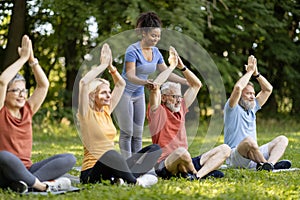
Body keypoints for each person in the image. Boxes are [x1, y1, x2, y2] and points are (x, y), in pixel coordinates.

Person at [77, 43, 162, 187]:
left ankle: (121, 179)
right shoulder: (85, 114)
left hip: (112, 168)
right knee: (112, 154)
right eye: (104, 92)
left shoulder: (106, 111)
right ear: (92, 96)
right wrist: (102, 65)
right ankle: (135, 182)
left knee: (154, 149)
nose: (109, 95)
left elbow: (121, 84)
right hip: (91, 172)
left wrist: (111, 68)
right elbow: (84, 82)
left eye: (109, 92)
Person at [0, 35, 76, 194]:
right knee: (4, 156)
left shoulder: (28, 109)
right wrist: (22, 59)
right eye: (16, 91)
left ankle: (25, 183)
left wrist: (32, 60)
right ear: (5, 94)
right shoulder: (1, 110)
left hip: (27, 170)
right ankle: (41, 186)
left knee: (69, 159)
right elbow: (2, 80)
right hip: (4, 170)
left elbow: (44, 85)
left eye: (24, 91)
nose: (22, 95)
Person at [147, 47, 231, 180]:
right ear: (163, 98)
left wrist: (181, 66)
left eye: (179, 97)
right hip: (166, 163)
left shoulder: (180, 107)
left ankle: (197, 175)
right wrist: (171, 66)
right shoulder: (157, 111)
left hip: (186, 160)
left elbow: (196, 85)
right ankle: (197, 172)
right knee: (181, 152)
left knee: (225, 149)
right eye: (174, 96)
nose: (178, 100)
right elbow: (156, 86)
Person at [114, 11, 187, 158]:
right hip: (124, 93)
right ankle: (127, 166)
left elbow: (166, 72)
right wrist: (145, 82)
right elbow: (130, 75)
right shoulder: (132, 50)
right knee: (127, 131)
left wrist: (184, 80)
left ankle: (136, 164)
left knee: (138, 133)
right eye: (153, 35)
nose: (156, 39)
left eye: (158, 36)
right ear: (143, 33)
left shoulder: (156, 53)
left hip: (139, 93)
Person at [223, 55, 291, 171]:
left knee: (282, 139)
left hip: (254, 154)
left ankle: (269, 164)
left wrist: (256, 74)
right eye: (248, 93)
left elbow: (268, 89)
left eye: (253, 94)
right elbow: (238, 87)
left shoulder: (252, 108)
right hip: (236, 156)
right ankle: (266, 165)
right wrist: (249, 72)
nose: (252, 97)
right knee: (249, 141)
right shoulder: (232, 108)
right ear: (240, 96)